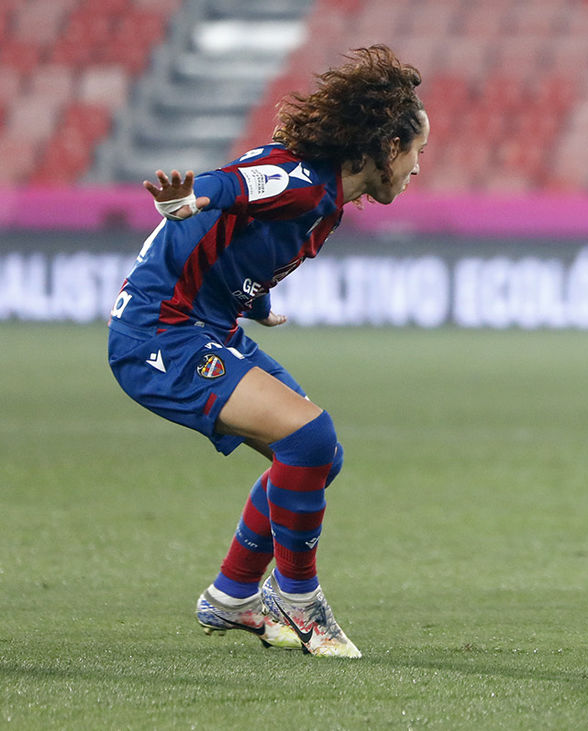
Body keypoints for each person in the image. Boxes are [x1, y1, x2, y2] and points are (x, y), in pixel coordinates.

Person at [108, 45, 429, 658]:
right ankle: (300, 602)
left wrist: (252, 302)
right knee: (307, 440)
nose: (417, 168)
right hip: (161, 334)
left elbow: (239, 240)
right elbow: (235, 188)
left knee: (318, 455)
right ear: (389, 148)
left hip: (208, 324)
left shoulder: (327, 199)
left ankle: (232, 594)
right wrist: (189, 197)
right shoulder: (302, 181)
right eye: (417, 153)